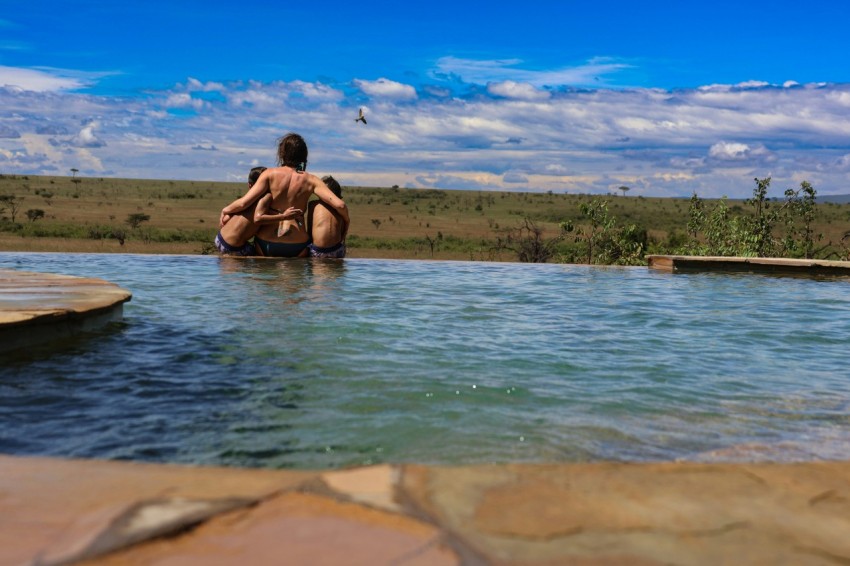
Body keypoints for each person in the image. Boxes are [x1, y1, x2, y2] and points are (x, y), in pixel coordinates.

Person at [220, 133, 349, 258]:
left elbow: (244, 203)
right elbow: (340, 205)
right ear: (304, 155)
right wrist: (347, 221)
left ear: (282, 153)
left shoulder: (269, 174)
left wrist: (226, 210)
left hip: (266, 243)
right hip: (298, 245)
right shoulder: (311, 180)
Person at [214, 166, 267, 256]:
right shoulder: (264, 200)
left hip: (220, 238)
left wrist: (225, 211)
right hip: (235, 247)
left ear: (249, 185)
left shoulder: (242, 200)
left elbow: (226, 220)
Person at [307, 175, 349, 258]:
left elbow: (309, 228)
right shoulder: (313, 204)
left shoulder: (339, 207)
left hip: (328, 249)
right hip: (322, 249)